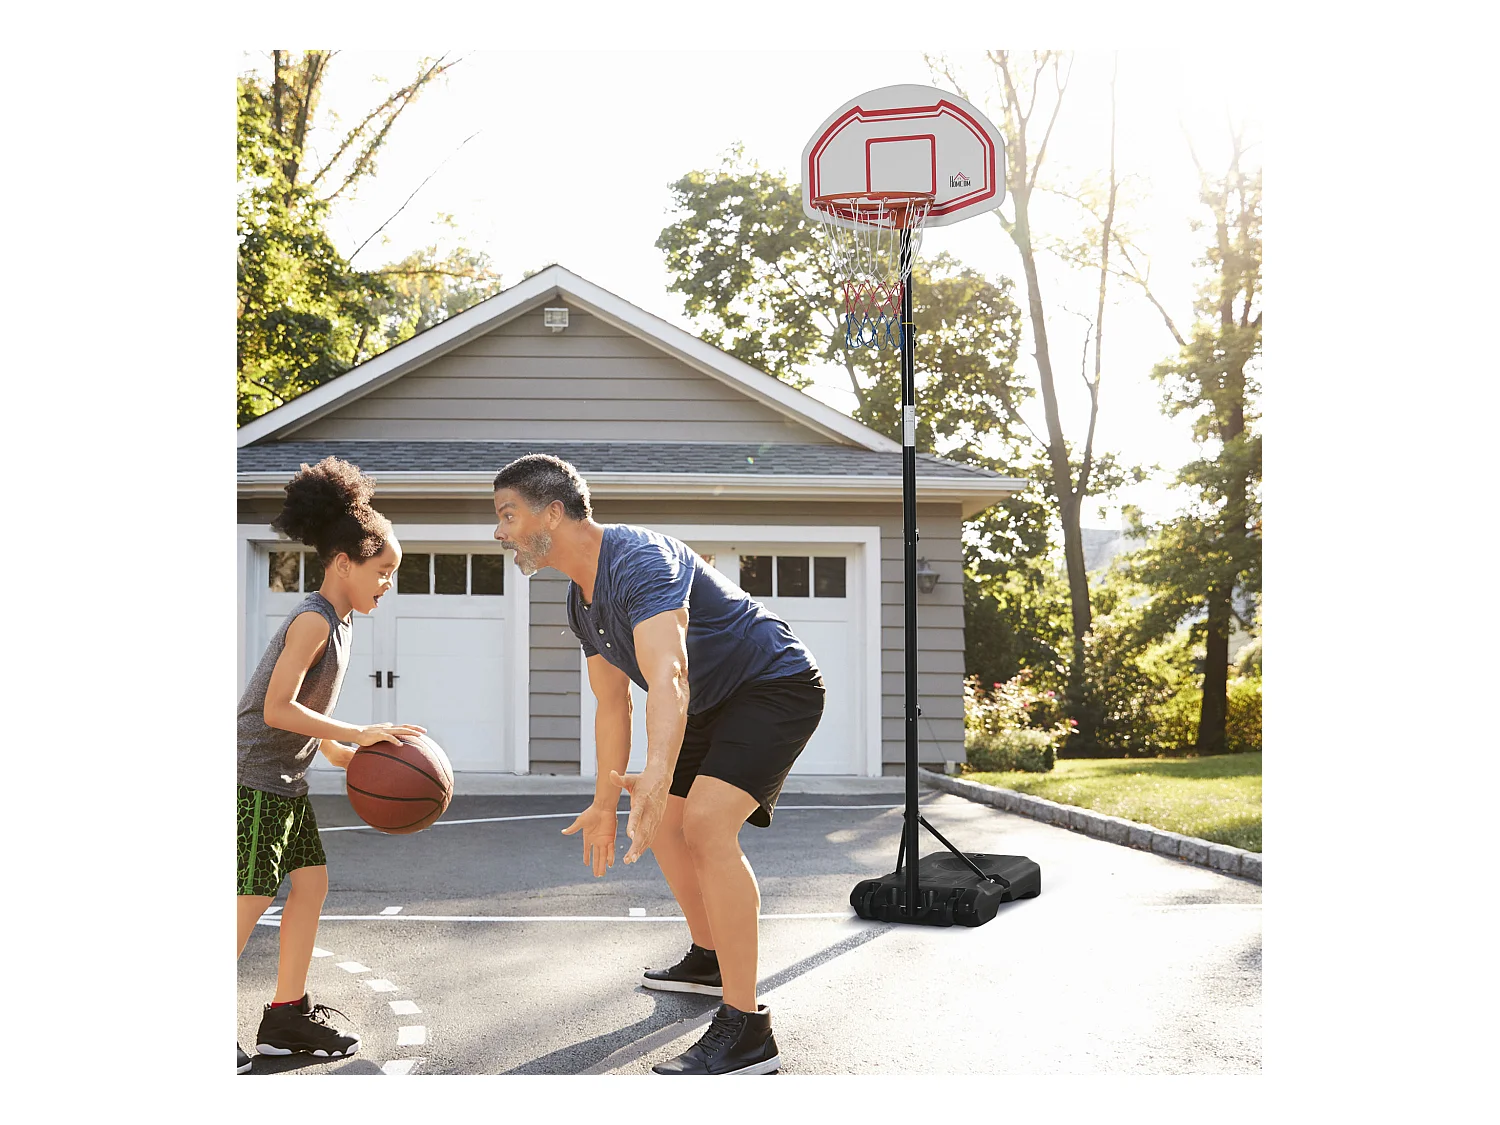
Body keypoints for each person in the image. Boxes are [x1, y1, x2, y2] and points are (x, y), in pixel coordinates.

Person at [492, 454, 825, 1076]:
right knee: (666, 826)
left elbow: (668, 676)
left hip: (773, 684)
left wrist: (657, 775)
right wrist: (603, 801)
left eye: (508, 515)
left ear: (553, 512)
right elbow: (612, 704)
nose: (499, 531)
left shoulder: (640, 560)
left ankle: (748, 1028)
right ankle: (711, 954)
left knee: (703, 826)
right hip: (708, 700)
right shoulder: (581, 600)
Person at [236, 457, 426, 1074]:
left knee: (310, 885)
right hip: (251, 779)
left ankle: (284, 1016)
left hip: (284, 781)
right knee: (247, 900)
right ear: (343, 562)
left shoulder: (339, 625)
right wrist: (353, 730)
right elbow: (275, 708)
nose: (387, 584)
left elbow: (307, 722)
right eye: (382, 571)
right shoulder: (313, 619)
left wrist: (354, 751)